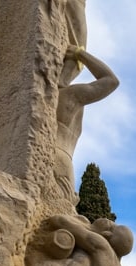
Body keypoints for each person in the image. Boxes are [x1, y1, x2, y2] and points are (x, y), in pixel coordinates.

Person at [54, 46, 119, 202]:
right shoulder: (72, 96)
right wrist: (79, 54)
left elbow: (111, 82)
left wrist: (79, 53)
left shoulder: (69, 95)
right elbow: (110, 80)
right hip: (64, 163)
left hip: (52, 157)